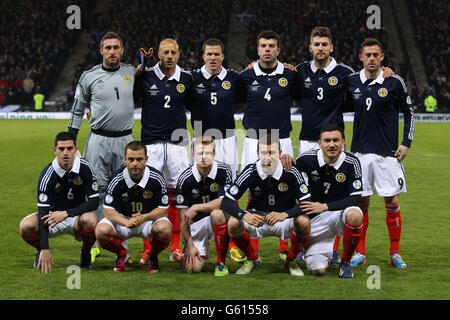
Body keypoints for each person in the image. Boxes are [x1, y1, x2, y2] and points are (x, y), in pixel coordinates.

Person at [294, 26, 394, 264]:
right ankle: (300, 245)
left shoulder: (345, 73)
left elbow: (365, 82)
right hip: (307, 141)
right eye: (316, 44)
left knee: (335, 192)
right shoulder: (299, 71)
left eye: (324, 44)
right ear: (310, 47)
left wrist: (384, 71)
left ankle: (332, 246)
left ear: (331, 47)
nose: (320, 48)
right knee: (303, 193)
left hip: (333, 143)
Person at [68, 31, 136, 263]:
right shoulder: (88, 76)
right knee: (97, 192)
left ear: (122, 50)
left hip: (125, 140)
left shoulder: (131, 72)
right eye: (108, 48)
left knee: (124, 192)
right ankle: (96, 241)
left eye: (116, 47)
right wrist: (71, 138)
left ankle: (122, 247)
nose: (112, 52)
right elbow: (77, 109)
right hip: (98, 140)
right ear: (101, 51)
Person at [347, 38, 415, 268]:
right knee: (361, 204)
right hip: (360, 154)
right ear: (361, 57)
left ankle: (395, 252)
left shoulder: (394, 82)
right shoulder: (352, 81)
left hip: (387, 154)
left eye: (376, 55)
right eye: (368, 55)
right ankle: (360, 253)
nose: (372, 59)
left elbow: (409, 113)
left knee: (392, 201)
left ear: (382, 57)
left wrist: (406, 142)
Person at [237, 30, 298, 259]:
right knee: (252, 188)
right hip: (253, 139)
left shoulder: (291, 75)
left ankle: (285, 249)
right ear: (257, 49)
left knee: (287, 188)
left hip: (282, 139)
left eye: (272, 46)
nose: (267, 49)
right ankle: (252, 249)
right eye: (263, 45)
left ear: (278, 50)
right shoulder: (245, 76)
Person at [134, 38, 194, 263]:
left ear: (179, 55)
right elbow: (130, 99)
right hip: (151, 144)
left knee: (179, 196)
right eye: (165, 52)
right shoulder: (146, 76)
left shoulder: (187, 78)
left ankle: (176, 247)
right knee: (148, 195)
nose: (169, 56)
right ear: (158, 53)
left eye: (173, 52)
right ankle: (148, 248)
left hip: (178, 145)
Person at [221, 133, 312, 276]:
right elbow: (226, 201)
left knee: (304, 222)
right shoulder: (250, 171)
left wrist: (285, 214)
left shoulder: (291, 171)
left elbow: (307, 202)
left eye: (272, 152)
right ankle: (252, 258)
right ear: (257, 153)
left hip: (284, 219)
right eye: (264, 152)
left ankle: (291, 259)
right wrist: (245, 215)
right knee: (233, 223)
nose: (268, 156)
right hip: (257, 219)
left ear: (280, 153)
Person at [281, 124, 364, 278]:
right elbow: (288, 174)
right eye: (327, 140)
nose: (331, 144)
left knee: (356, 215)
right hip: (316, 219)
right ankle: (301, 251)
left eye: (336, 140)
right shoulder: (308, 159)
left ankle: (344, 263)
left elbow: (356, 199)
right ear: (319, 143)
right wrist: (285, 160)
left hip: (338, 215)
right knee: (318, 271)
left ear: (343, 142)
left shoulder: (352, 162)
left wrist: (324, 206)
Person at [189, 38, 245, 263]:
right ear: (203, 56)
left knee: (230, 190)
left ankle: (231, 242)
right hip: (201, 139)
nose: (213, 58)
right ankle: (199, 242)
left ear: (223, 56)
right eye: (209, 54)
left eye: (217, 54)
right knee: (201, 188)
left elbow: (242, 98)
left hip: (227, 138)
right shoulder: (192, 78)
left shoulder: (233, 78)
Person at [19, 132, 99, 274]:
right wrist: (44, 248)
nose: (66, 153)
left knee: (91, 220)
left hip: (76, 218)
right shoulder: (47, 174)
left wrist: (67, 213)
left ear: (76, 149)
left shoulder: (85, 168)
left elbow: (94, 202)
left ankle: (85, 253)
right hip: (52, 218)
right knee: (25, 226)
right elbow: (43, 213)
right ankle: (39, 251)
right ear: (54, 150)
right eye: (61, 149)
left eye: (69, 148)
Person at [95, 141, 172, 273]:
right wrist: (126, 222)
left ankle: (152, 257)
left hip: (147, 221)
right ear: (125, 159)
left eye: (139, 159)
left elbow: (163, 209)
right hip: (123, 220)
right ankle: (121, 253)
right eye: (131, 159)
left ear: (146, 159)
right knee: (100, 231)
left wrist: (144, 217)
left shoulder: (156, 178)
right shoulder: (117, 178)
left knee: (165, 229)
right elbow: (107, 210)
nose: (135, 163)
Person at [177, 137, 234, 276]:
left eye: (207, 153)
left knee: (217, 213)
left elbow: (223, 202)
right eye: (199, 154)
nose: (203, 158)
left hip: (219, 217)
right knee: (192, 269)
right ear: (193, 155)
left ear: (214, 154)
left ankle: (221, 262)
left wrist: (196, 207)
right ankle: (193, 249)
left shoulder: (224, 170)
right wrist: (189, 244)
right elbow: (182, 218)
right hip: (196, 224)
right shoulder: (185, 179)